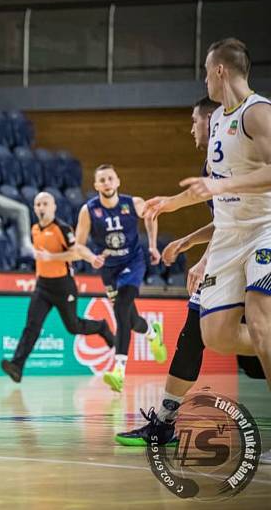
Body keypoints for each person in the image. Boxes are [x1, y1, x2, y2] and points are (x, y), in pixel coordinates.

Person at [143, 39, 271, 463]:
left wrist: (222, 186)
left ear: (219, 71)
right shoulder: (217, 118)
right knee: (215, 334)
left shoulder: (258, 111)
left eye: (204, 70)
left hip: (263, 230)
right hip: (229, 235)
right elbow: (210, 191)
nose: (202, 78)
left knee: (260, 317)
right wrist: (168, 202)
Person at [116, 97, 223, 446]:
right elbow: (223, 220)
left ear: (210, 119)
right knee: (192, 336)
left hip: (250, 251)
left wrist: (205, 256)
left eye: (195, 121)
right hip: (227, 252)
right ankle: (164, 421)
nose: (191, 128)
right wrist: (187, 241)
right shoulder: (212, 159)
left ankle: (164, 421)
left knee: (248, 347)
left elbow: (241, 220)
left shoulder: (232, 155)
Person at [0, 192, 115, 383]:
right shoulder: (35, 229)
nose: (41, 207)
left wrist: (51, 258)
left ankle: (101, 326)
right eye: (38, 204)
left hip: (63, 286)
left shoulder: (62, 228)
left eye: (45, 203)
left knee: (73, 326)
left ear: (53, 207)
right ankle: (17, 367)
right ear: (34, 208)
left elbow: (76, 255)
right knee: (32, 327)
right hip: (42, 286)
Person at [73, 164, 167, 392]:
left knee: (122, 307)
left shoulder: (132, 203)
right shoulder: (89, 210)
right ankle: (153, 333)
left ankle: (119, 370)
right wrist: (90, 257)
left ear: (117, 181)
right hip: (109, 270)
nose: (106, 183)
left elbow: (151, 215)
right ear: (96, 185)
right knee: (131, 319)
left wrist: (153, 246)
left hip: (132, 263)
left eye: (110, 178)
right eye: (102, 180)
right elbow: (78, 245)